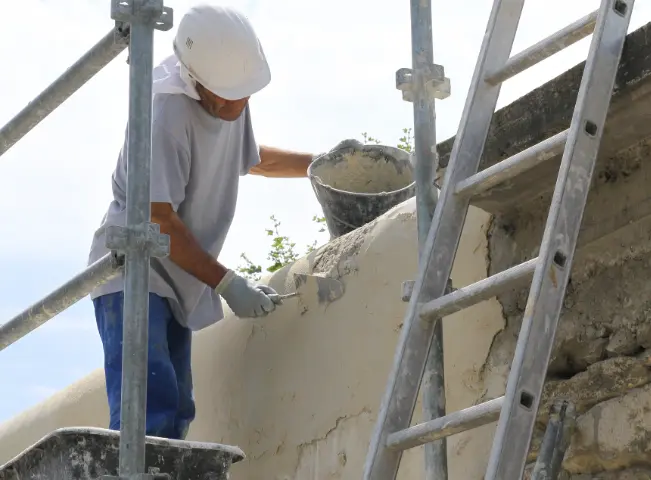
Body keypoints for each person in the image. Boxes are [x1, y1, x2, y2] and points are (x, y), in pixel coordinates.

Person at [87, 3, 353, 440]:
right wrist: (227, 282)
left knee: (177, 415)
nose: (240, 105)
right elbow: (158, 222)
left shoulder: (230, 91)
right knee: (149, 410)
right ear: (196, 81)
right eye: (231, 97)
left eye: (245, 95)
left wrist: (320, 164)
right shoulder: (164, 113)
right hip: (134, 271)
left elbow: (253, 158)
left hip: (178, 276)